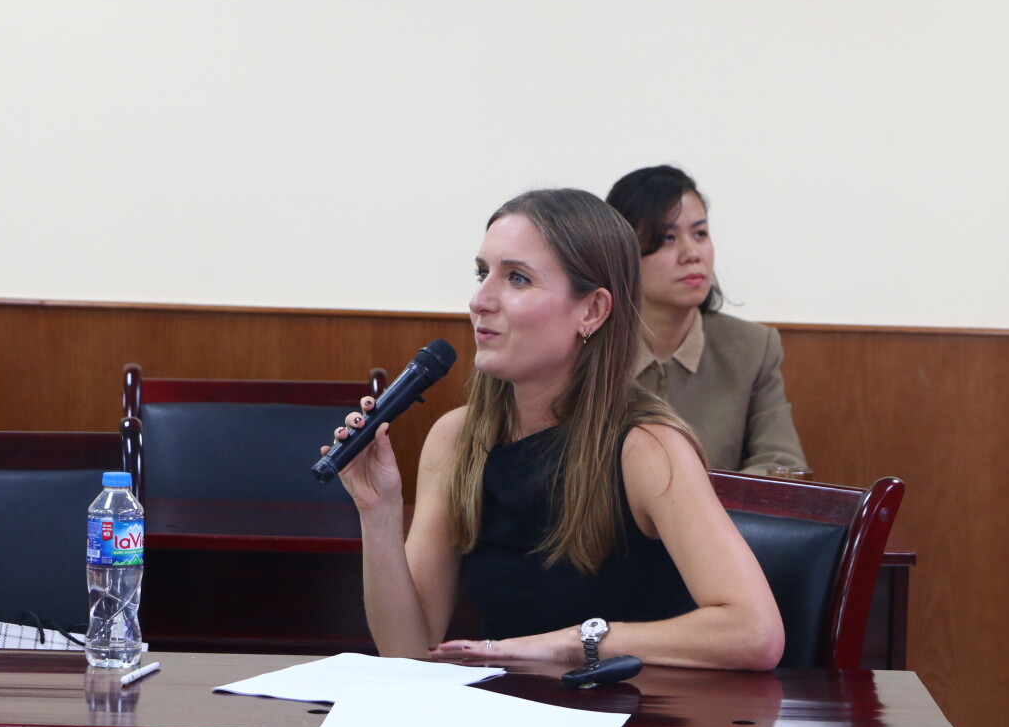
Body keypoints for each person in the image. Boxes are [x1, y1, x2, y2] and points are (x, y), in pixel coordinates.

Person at [324, 188, 784, 671]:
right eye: (482, 274)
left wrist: (574, 643)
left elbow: (755, 633)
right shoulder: (456, 439)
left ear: (592, 311)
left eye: (517, 278)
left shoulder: (647, 448)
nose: (479, 300)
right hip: (509, 706)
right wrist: (378, 511)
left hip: (632, 707)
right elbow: (408, 653)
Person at [605, 165, 808, 475]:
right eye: (668, 238)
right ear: (622, 254)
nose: (692, 253)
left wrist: (699, 500)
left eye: (700, 233)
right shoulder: (589, 348)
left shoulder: (753, 348)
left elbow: (782, 466)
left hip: (720, 508)